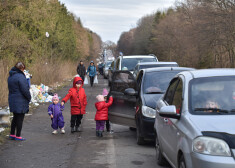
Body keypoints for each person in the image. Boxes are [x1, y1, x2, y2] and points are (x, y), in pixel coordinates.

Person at [8, 62, 31, 141]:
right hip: (20, 100)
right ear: (21, 68)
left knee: (15, 117)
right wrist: (29, 97)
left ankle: (12, 134)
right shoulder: (20, 77)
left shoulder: (10, 76)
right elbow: (25, 89)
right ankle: (18, 135)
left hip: (12, 99)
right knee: (20, 118)